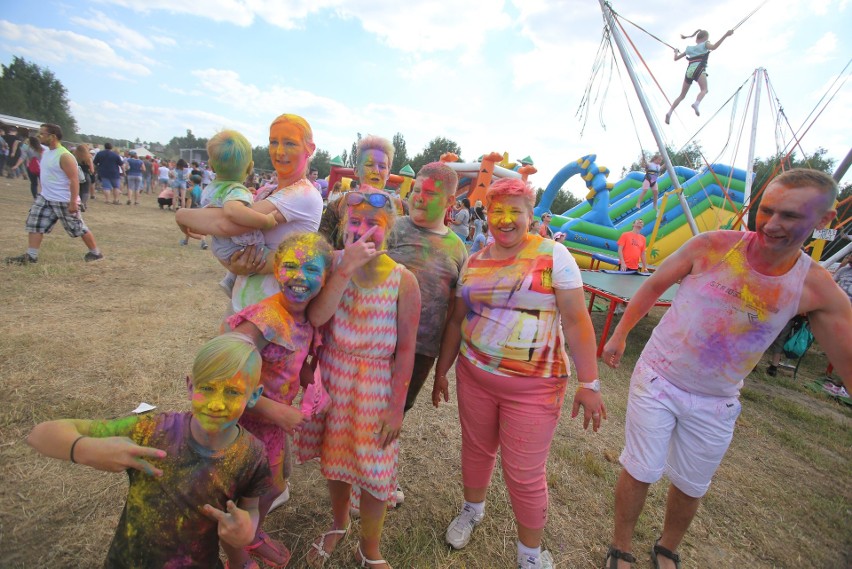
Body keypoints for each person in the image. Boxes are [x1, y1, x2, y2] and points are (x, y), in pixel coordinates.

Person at [601, 169, 852, 569]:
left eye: (789, 216)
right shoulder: (712, 246)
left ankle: (666, 547)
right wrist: (620, 334)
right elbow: (652, 285)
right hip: (658, 378)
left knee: (691, 483)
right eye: (766, 210)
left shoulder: (815, 287)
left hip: (717, 400)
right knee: (641, 468)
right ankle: (621, 547)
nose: (771, 225)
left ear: (823, 221)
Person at [433, 178, 605, 569]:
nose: (506, 220)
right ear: (487, 214)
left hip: (535, 388)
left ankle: (530, 555)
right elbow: (457, 320)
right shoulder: (474, 261)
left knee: (524, 473)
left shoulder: (554, 256)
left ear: (531, 216)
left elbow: (577, 323)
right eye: (498, 212)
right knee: (475, 450)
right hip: (474, 376)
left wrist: (589, 382)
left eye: (515, 212)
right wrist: (443, 370)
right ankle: (471, 510)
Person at [26, 333, 271, 569]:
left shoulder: (252, 455)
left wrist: (248, 526)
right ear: (190, 386)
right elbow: (40, 435)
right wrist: (85, 449)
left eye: (232, 392)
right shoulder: (153, 432)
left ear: (253, 396)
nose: (216, 404)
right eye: (207, 388)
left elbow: (249, 506)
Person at [305, 191, 421, 569]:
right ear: (342, 227)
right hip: (333, 378)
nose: (363, 230)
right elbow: (317, 318)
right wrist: (344, 269)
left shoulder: (404, 281)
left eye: (374, 223)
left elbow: (406, 351)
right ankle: (339, 523)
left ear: (390, 229)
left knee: (375, 471)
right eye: (355, 222)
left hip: (375, 384)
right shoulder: (332, 264)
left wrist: (396, 409)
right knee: (336, 459)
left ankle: (369, 548)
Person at [224, 232, 333, 569]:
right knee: (239, 503)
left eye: (312, 270)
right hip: (239, 427)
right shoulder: (263, 320)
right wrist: (273, 409)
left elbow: (296, 359)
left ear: (326, 278)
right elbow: (220, 377)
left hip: (270, 431)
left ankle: (254, 535)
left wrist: (310, 384)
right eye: (290, 266)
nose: (300, 276)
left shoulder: (305, 317)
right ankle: (238, 560)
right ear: (275, 269)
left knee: (269, 489)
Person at [176, 114, 323, 314]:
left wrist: (182, 215)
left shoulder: (303, 194)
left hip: (274, 314)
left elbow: (226, 225)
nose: (279, 151)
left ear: (309, 149)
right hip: (246, 302)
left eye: (290, 143)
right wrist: (235, 265)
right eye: (273, 142)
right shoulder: (265, 192)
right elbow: (228, 240)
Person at [385, 162, 468, 498]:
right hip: (377, 338)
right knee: (365, 403)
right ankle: (357, 467)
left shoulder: (458, 249)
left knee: (397, 409)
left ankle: (382, 472)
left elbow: (454, 314)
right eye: (417, 189)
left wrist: (442, 370)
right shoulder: (393, 228)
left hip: (421, 349)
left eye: (430, 193)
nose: (419, 197)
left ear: (450, 201)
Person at [182, 130, 278, 297]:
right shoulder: (235, 191)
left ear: (211, 166)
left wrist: (246, 195)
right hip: (239, 246)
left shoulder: (211, 188)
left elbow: (221, 202)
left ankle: (229, 279)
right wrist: (265, 221)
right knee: (283, 259)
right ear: (250, 167)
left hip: (221, 245)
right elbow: (232, 211)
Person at [5, 124, 104, 265]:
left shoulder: (64, 156)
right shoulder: (47, 151)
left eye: (42, 134)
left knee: (78, 227)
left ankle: (96, 253)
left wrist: (73, 202)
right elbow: (38, 148)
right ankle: (31, 256)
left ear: (53, 136)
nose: (40, 136)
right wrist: (31, 141)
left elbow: (74, 180)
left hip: (63, 199)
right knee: (34, 223)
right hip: (45, 197)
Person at [318, 136, 394, 249]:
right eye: (369, 165)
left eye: (382, 166)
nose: (376, 171)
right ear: (356, 171)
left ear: (388, 174)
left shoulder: (399, 209)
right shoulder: (337, 206)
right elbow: (319, 249)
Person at [665, 29, 733, 124]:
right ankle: (696, 103)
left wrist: (675, 52)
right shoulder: (705, 44)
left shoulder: (689, 48)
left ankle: (669, 112)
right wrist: (726, 35)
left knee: (682, 95)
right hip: (699, 69)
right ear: (705, 38)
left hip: (689, 71)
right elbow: (714, 47)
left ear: (696, 39)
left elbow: (675, 59)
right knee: (704, 89)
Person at [73, 144, 95, 211]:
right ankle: (83, 203)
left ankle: (78, 203)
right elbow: (92, 170)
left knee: (79, 190)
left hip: (77, 175)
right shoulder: (88, 158)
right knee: (85, 191)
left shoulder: (74, 157)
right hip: (86, 175)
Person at [23, 135, 44, 200]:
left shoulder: (27, 148)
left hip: (31, 168)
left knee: (33, 183)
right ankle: (44, 196)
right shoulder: (41, 149)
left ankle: (35, 197)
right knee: (43, 183)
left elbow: (24, 158)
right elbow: (42, 158)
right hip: (41, 168)